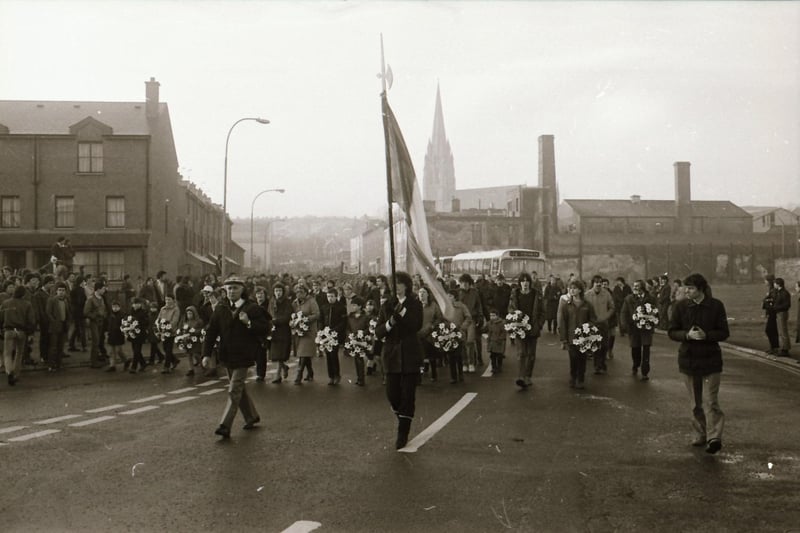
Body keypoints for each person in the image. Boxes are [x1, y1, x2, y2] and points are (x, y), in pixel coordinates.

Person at [668, 273, 729, 455]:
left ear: (700, 289)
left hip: (711, 359)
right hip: (689, 360)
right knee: (696, 403)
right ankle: (700, 433)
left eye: (691, 288)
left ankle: (714, 438)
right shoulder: (680, 307)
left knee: (711, 401)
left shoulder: (716, 306)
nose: (686, 291)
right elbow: (672, 331)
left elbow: (724, 332)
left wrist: (706, 336)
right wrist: (686, 335)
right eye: (685, 287)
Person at [205, 275, 269, 439]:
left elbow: (265, 328)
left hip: (244, 355)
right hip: (227, 355)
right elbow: (211, 331)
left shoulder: (252, 308)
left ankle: (225, 425)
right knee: (239, 389)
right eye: (229, 288)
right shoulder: (221, 308)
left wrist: (249, 323)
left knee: (234, 390)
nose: (232, 291)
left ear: (242, 290)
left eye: (235, 288)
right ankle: (251, 416)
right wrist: (206, 354)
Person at [375, 271, 423, 450]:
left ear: (406, 285)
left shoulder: (415, 304)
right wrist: (391, 321)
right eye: (393, 284)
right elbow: (379, 331)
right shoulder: (387, 304)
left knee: (408, 395)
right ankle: (403, 417)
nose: (396, 288)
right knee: (392, 394)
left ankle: (403, 432)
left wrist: (401, 313)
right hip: (392, 355)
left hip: (410, 353)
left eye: (399, 284)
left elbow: (415, 325)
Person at [558, 280, 597, 389]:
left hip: (584, 337)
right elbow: (563, 322)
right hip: (571, 337)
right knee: (573, 357)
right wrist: (563, 339)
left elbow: (593, 319)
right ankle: (573, 377)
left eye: (574, 288)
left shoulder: (587, 305)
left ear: (580, 290)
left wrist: (588, 328)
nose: (571, 290)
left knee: (582, 358)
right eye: (570, 288)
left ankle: (581, 379)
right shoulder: (566, 305)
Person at [508, 272, 545, 389]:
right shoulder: (515, 294)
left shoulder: (536, 294)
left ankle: (528, 376)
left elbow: (542, 311)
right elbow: (511, 309)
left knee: (531, 354)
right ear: (520, 283)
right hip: (520, 327)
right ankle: (521, 376)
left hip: (533, 327)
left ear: (530, 283)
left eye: (527, 281)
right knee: (521, 353)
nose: (525, 283)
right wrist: (514, 319)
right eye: (523, 281)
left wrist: (539, 324)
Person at [619, 280, 657, 380]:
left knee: (646, 349)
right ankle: (635, 365)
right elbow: (624, 312)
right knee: (635, 348)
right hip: (633, 327)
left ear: (643, 288)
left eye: (637, 286)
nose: (635, 288)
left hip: (646, 329)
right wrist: (624, 324)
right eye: (634, 286)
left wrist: (654, 321)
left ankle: (645, 372)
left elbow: (657, 311)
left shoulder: (650, 299)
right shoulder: (629, 298)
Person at [1, 286, 36, 385]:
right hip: (21, 331)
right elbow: (31, 321)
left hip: (8, 330)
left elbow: (1, 318)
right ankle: (16, 374)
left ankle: (9, 372)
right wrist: (30, 333)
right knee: (19, 353)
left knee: (7, 353)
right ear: (23, 294)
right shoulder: (27, 304)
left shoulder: (5, 303)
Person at [584, 274, 614, 375]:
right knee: (595, 345)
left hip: (604, 323)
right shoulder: (587, 295)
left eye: (600, 282)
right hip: (592, 324)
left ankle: (602, 362)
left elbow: (612, 307)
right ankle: (597, 366)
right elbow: (584, 308)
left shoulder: (606, 294)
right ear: (593, 283)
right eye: (596, 282)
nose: (598, 284)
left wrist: (606, 316)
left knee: (604, 345)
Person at [292, 284, 320, 384]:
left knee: (303, 353)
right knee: (303, 353)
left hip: (309, 331)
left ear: (306, 292)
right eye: (297, 292)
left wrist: (305, 319)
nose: (299, 294)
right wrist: (294, 321)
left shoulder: (311, 301)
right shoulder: (295, 303)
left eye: (301, 292)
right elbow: (292, 314)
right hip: (299, 331)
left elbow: (317, 314)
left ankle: (298, 375)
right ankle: (310, 372)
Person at [320, 287, 347, 385]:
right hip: (326, 334)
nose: (330, 298)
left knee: (333, 354)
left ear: (336, 297)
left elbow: (343, 322)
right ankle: (330, 376)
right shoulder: (324, 307)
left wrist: (334, 330)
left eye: (332, 296)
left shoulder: (341, 307)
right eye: (328, 296)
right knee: (328, 355)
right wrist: (322, 330)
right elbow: (321, 320)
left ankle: (336, 375)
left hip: (335, 335)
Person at [268, 282, 293, 384]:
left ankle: (277, 375)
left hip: (283, 330)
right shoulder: (272, 302)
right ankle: (284, 367)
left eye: (280, 291)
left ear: (283, 292)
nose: (278, 293)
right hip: (274, 330)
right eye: (276, 291)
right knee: (275, 354)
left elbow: (287, 316)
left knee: (280, 353)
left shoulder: (287, 302)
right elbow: (268, 313)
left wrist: (276, 321)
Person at [45, 281, 71, 372]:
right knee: (53, 347)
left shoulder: (66, 300)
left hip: (63, 326)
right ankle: (51, 365)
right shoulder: (51, 300)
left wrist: (67, 322)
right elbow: (48, 313)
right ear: (56, 291)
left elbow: (68, 313)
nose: (61, 292)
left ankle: (59, 364)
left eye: (63, 290)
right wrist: (54, 322)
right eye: (59, 290)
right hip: (54, 327)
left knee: (61, 346)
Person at [418, 285, 442, 382]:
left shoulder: (433, 305)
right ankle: (419, 375)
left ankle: (434, 374)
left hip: (430, 333)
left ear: (428, 294)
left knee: (431, 355)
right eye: (420, 292)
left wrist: (433, 326)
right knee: (419, 357)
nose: (421, 294)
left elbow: (439, 317)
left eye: (424, 292)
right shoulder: (416, 305)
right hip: (418, 333)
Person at [344, 296, 369, 386]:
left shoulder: (365, 317)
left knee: (360, 359)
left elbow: (368, 328)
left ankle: (361, 378)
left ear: (360, 306)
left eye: (354, 305)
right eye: (352, 305)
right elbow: (347, 328)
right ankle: (359, 378)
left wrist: (362, 334)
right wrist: (349, 335)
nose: (352, 307)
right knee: (356, 359)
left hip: (362, 340)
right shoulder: (350, 317)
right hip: (353, 340)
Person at [84, 282, 108, 369]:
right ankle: (93, 362)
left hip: (101, 322)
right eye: (103, 289)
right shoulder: (91, 299)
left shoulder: (101, 298)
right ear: (98, 289)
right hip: (94, 322)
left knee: (99, 341)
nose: (104, 290)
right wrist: (95, 316)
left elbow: (104, 309)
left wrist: (104, 314)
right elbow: (86, 312)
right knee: (96, 341)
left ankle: (96, 359)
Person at [156, 295, 181, 373]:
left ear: (173, 300)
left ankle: (166, 367)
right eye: (166, 299)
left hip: (171, 332)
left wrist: (168, 327)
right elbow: (158, 319)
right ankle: (175, 360)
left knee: (168, 349)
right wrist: (158, 325)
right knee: (165, 348)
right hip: (163, 332)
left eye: (169, 299)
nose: (167, 301)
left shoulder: (176, 309)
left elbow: (175, 321)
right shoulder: (162, 309)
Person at [106, 300, 130, 372]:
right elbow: (108, 324)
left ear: (119, 307)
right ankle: (112, 365)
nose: (115, 308)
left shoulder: (122, 315)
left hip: (119, 335)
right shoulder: (110, 314)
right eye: (113, 307)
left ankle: (125, 360)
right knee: (112, 351)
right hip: (111, 334)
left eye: (116, 307)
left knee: (118, 350)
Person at [127, 297, 150, 373]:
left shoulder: (143, 312)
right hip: (133, 333)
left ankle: (134, 367)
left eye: (137, 304)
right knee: (135, 350)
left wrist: (138, 324)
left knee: (137, 350)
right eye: (134, 304)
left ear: (140, 304)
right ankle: (143, 363)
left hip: (140, 334)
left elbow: (146, 322)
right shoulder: (131, 312)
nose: (135, 305)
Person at [772, 278, 792, 357]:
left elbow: (787, 305)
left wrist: (776, 307)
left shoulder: (784, 293)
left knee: (783, 331)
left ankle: (785, 349)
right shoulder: (779, 292)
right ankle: (784, 347)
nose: (774, 285)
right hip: (780, 313)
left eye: (775, 283)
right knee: (781, 331)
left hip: (782, 313)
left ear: (778, 284)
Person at [484, 307, 506, 374]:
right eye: (491, 315)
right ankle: (494, 368)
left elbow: (503, 332)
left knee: (499, 356)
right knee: (492, 356)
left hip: (498, 342)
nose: (492, 317)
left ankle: (499, 367)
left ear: (497, 316)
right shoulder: (489, 323)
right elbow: (485, 329)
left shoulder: (501, 323)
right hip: (492, 342)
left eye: (493, 315)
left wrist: (500, 339)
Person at [762, 274, 779, 354]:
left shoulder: (773, 290)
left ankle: (774, 347)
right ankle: (773, 347)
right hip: (770, 312)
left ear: (769, 281)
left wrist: (766, 300)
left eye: (765, 280)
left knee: (769, 330)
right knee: (771, 330)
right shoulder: (771, 289)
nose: (764, 282)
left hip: (773, 312)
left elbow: (772, 301)